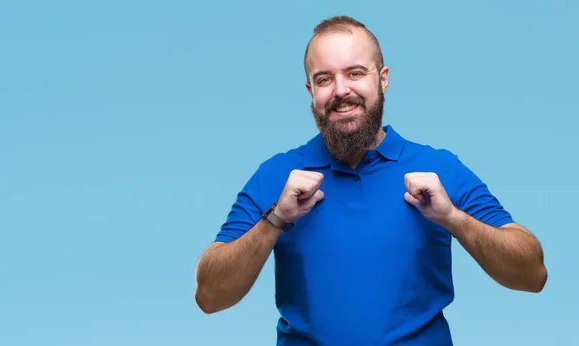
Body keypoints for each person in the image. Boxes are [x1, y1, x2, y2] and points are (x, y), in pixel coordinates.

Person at [194, 15, 548, 346]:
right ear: (310, 92)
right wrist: (275, 220)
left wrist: (452, 218)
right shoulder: (277, 175)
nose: (340, 90)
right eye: (324, 79)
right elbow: (209, 296)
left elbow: (532, 275)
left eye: (355, 73)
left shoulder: (437, 168)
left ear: (383, 78)